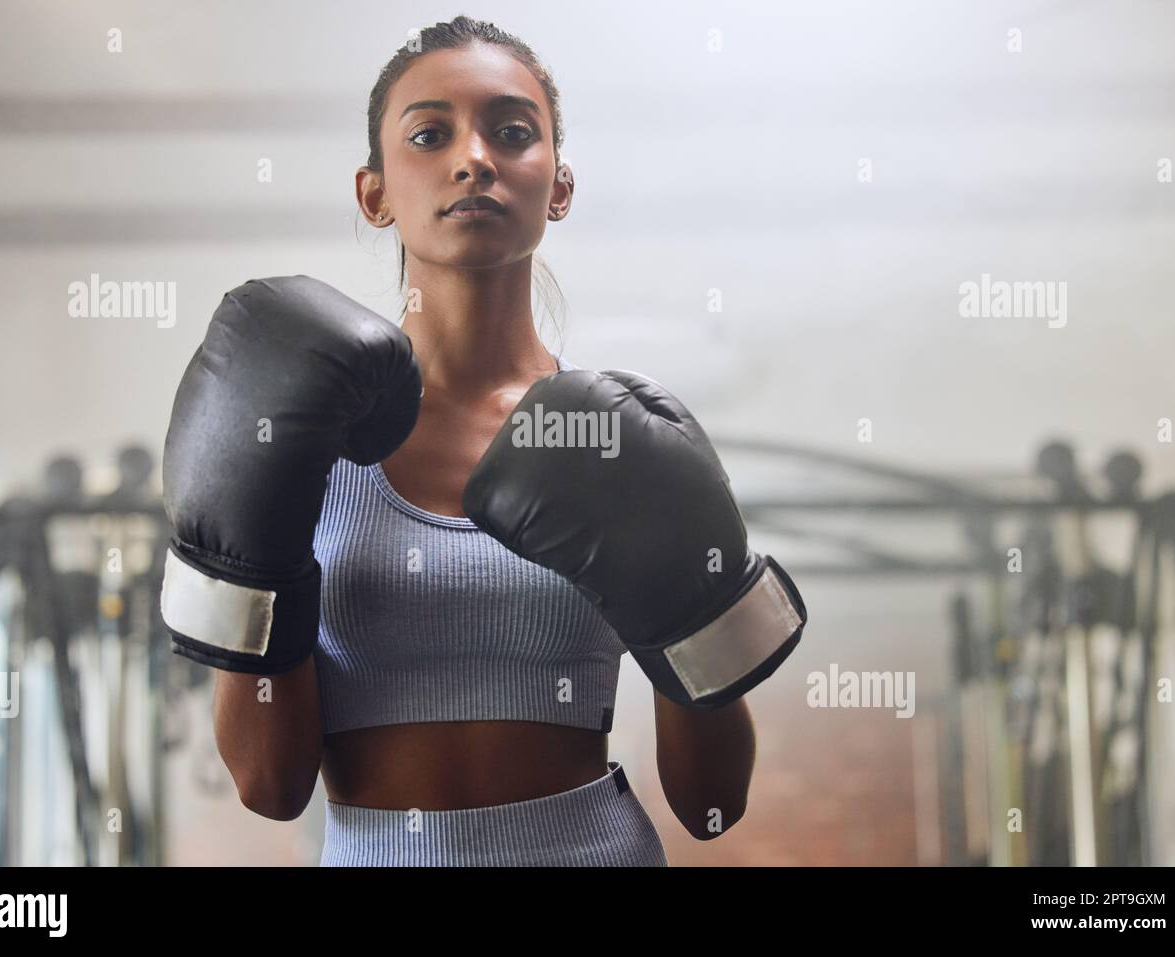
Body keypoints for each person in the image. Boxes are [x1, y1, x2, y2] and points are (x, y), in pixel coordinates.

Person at [159, 16, 805, 867]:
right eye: (430, 134)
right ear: (374, 192)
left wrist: (685, 604)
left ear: (559, 184)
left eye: (512, 131)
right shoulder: (304, 433)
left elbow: (713, 806)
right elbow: (270, 785)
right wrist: (252, 565)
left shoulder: (614, 445)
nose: (475, 158)